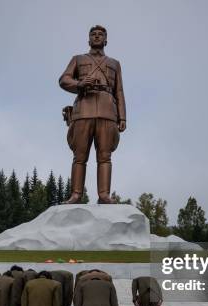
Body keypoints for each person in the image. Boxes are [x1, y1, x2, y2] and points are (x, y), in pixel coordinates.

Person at [59, 25, 126, 204]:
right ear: (89, 40)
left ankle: (104, 195)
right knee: (79, 156)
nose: (96, 37)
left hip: (107, 111)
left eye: (100, 35)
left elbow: (119, 91)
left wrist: (122, 117)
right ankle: (76, 195)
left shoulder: (115, 63)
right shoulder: (78, 59)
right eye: (93, 35)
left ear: (106, 40)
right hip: (83, 110)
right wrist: (80, 83)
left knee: (105, 156)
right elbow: (63, 80)